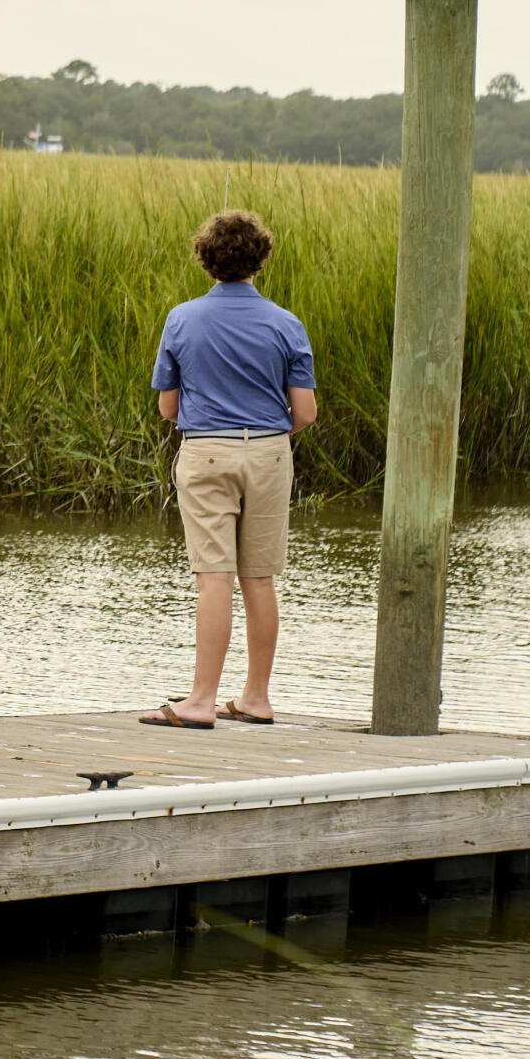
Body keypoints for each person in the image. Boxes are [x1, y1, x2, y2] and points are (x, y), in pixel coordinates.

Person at [142, 209, 317, 730]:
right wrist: (263, 436)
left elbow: (168, 409)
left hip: (206, 451)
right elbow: (304, 413)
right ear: (260, 259)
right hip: (268, 454)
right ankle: (256, 698)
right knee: (258, 578)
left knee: (213, 577)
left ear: (206, 259)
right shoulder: (287, 324)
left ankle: (199, 702)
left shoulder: (181, 318)